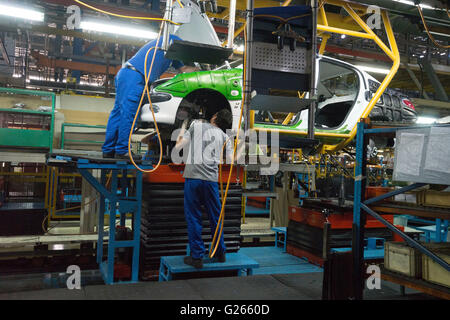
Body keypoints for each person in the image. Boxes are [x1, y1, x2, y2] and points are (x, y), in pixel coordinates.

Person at [102, 34, 197, 159]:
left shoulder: (172, 54)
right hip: (134, 76)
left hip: (128, 75)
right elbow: (177, 43)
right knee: (129, 114)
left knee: (118, 113)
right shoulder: (170, 39)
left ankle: (108, 150)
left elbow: (183, 69)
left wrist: (198, 70)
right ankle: (122, 150)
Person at [174, 109, 243, 269]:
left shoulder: (196, 126)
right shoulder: (225, 137)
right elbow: (231, 160)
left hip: (193, 179)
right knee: (215, 217)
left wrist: (183, 128)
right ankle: (220, 253)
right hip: (211, 181)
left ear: (215, 116)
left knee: (194, 217)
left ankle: (197, 257)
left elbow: (178, 147)